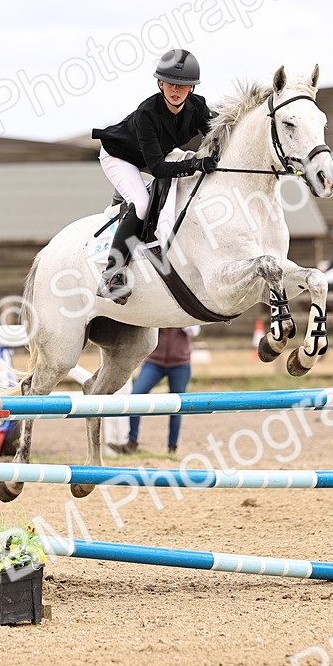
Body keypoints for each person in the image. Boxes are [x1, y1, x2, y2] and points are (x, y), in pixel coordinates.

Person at [90, 49, 219, 304]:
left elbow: (218, 138)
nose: (175, 90)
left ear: (191, 89)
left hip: (153, 155)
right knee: (141, 203)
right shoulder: (148, 112)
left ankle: (122, 198)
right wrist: (195, 163)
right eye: (170, 83)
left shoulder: (199, 107)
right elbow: (158, 169)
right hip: (120, 156)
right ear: (160, 83)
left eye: (182, 85)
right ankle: (112, 274)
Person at [109, 325, 200, 455]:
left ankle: (172, 448)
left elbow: (195, 330)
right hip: (155, 362)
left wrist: (181, 321)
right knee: (136, 397)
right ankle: (132, 443)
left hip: (180, 364)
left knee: (177, 407)